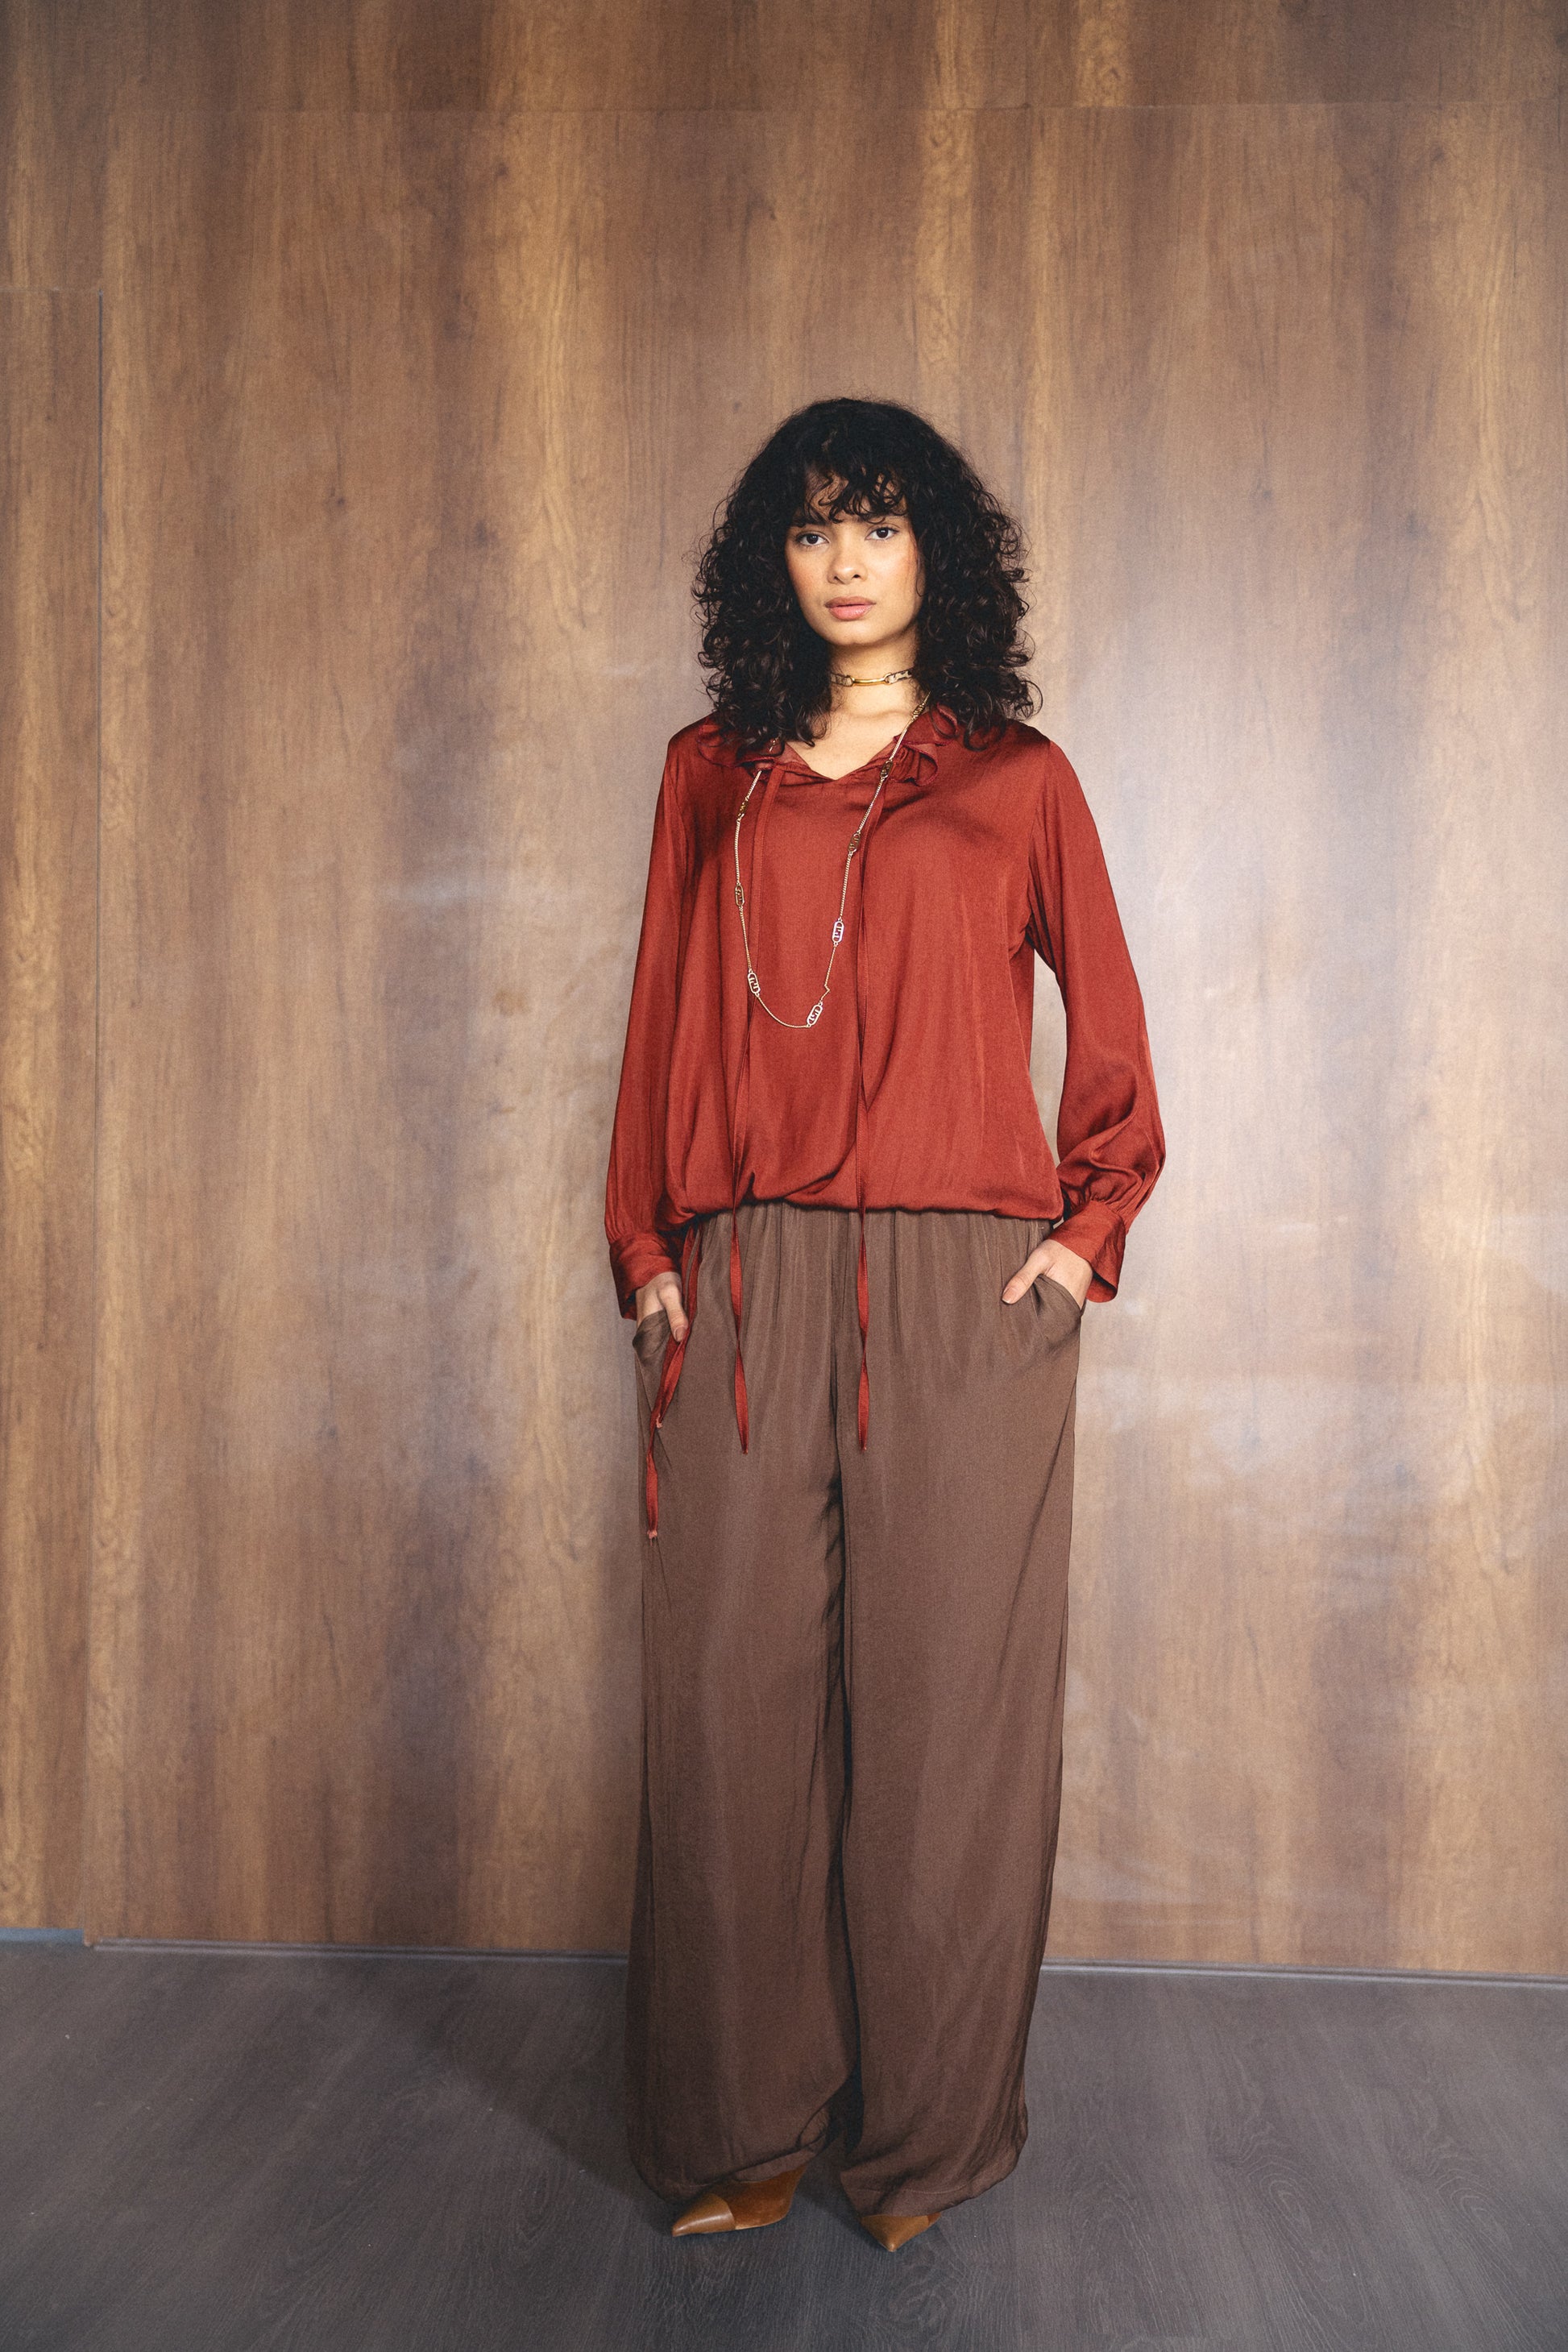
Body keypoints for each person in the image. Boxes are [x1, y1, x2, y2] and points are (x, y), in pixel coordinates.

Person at [604, 396, 1164, 2253]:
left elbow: (1111, 1034)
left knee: (943, 1733)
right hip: (745, 1279)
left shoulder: (1017, 779)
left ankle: (925, 2140)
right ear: (768, 559)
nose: (844, 558)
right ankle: (742, 2124)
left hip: (957, 1295)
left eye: (879, 521)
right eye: (809, 526)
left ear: (939, 552)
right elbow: (658, 1024)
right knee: (728, 1717)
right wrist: (648, 1247)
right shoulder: (709, 774)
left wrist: (1080, 1241)